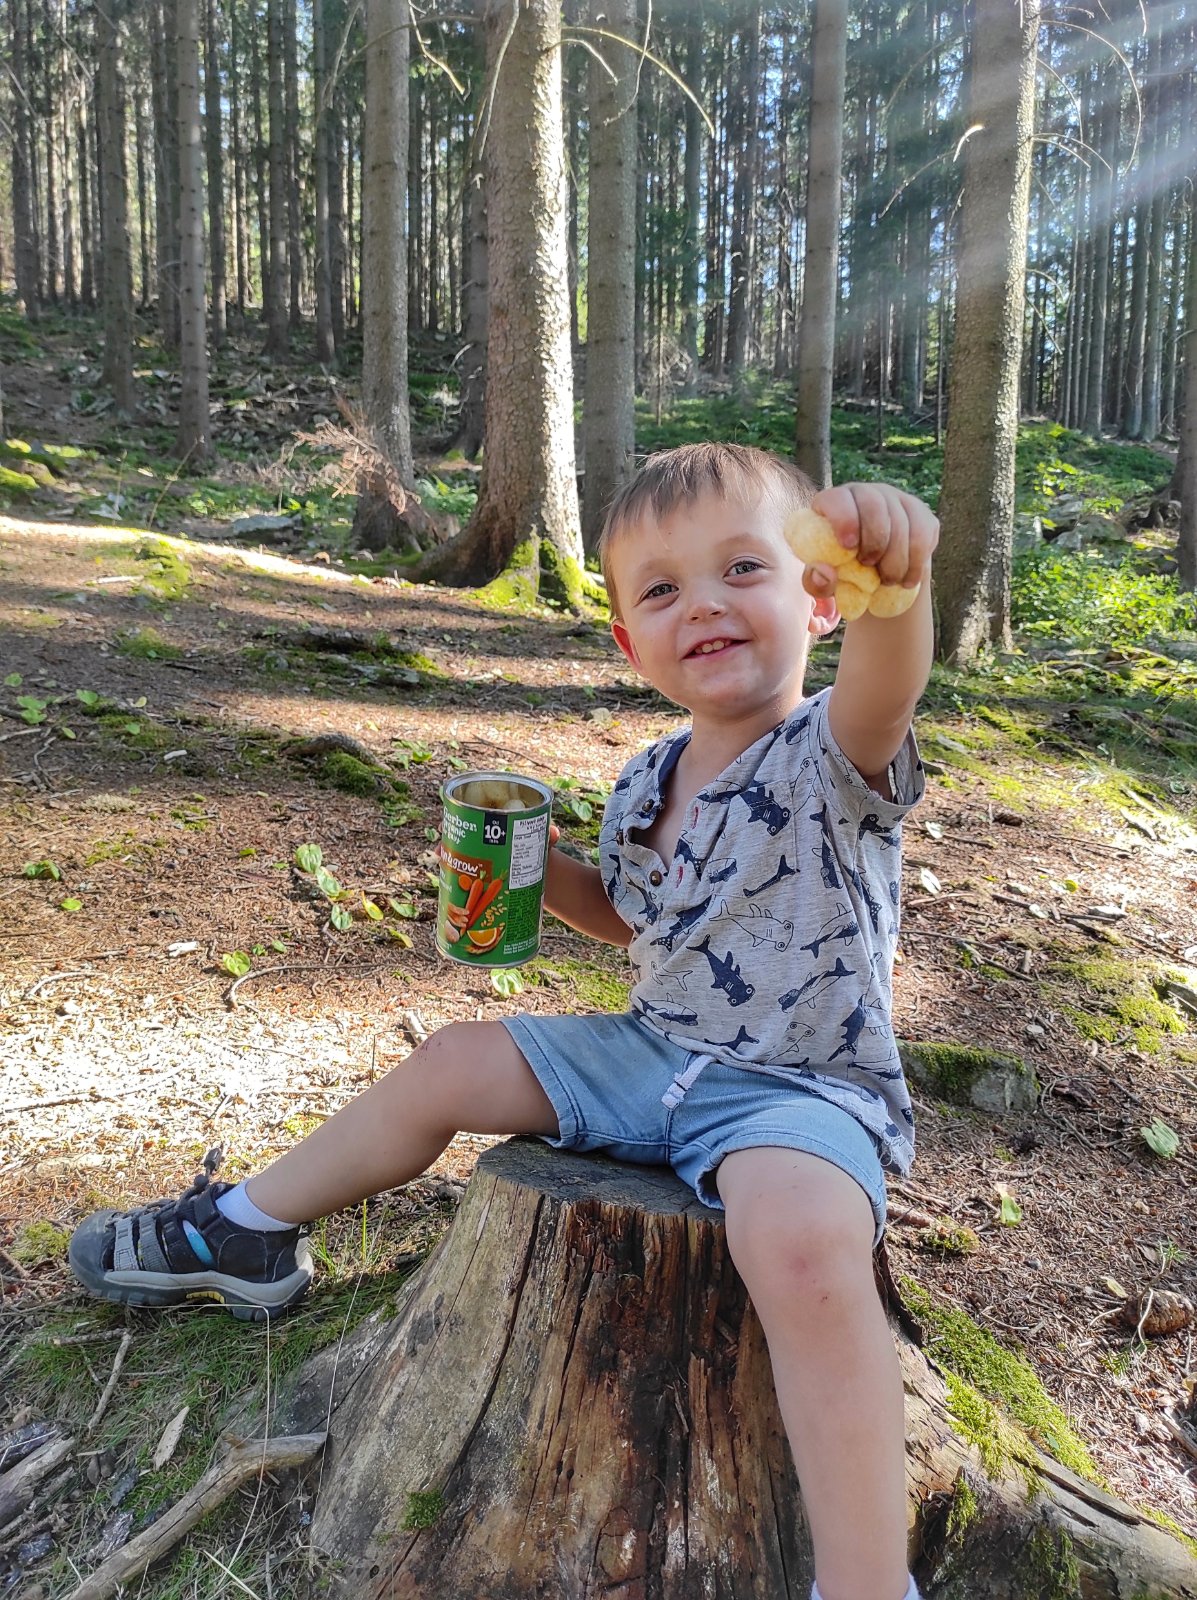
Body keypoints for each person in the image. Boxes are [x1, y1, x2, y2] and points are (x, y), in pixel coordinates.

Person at [69, 442, 937, 1600]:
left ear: (819, 598)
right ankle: (241, 1229)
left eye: (743, 567)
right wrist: (539, 871)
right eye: (663, 589)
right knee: (452, 1061)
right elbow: (632, 920)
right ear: (629, 642)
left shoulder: (832, 748)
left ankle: (867, 1582)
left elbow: (889, 683)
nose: (705, 604)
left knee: (801, 1243)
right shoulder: (647, 780)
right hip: (655, 1051)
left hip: (800, 1086)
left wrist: (896, 583)